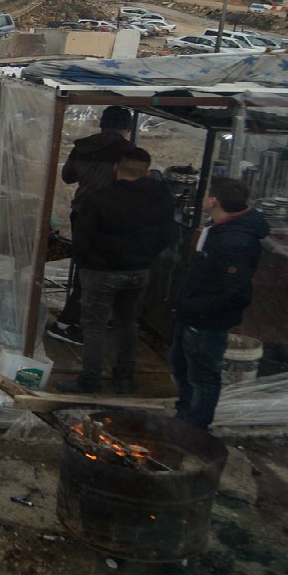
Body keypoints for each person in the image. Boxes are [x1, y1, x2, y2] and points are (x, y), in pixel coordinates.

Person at [67, 146, 176, 394]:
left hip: (100, 271)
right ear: (147, 171)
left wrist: (85, 265)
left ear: (116, 167)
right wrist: (146, 256)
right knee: (128, 325)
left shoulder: (98, 198)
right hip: (138, 271)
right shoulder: (161, 198)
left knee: (94, 326)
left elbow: (82, 238)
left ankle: (89, 382)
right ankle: (124, 380)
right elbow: (167, 235)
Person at [169, 177, 269, 428]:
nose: (202, 199)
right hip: (192, 315)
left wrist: (194, 307)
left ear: (213, 201)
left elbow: (238, 293)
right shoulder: (218, 229)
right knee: (181, 367)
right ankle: (183, 416)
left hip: (206, 322)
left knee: (203, 377)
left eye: (205, 195)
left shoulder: (234, 241)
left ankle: (195, 428)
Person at [47, 105, 137, 343]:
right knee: (97, 271)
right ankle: (69, 321)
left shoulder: (83, 146)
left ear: (101, 123)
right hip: (111, 218)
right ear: (127, 128)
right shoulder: (128, 151)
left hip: (81, 213)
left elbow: (68, 177)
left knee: (84, 266)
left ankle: (81, 317)